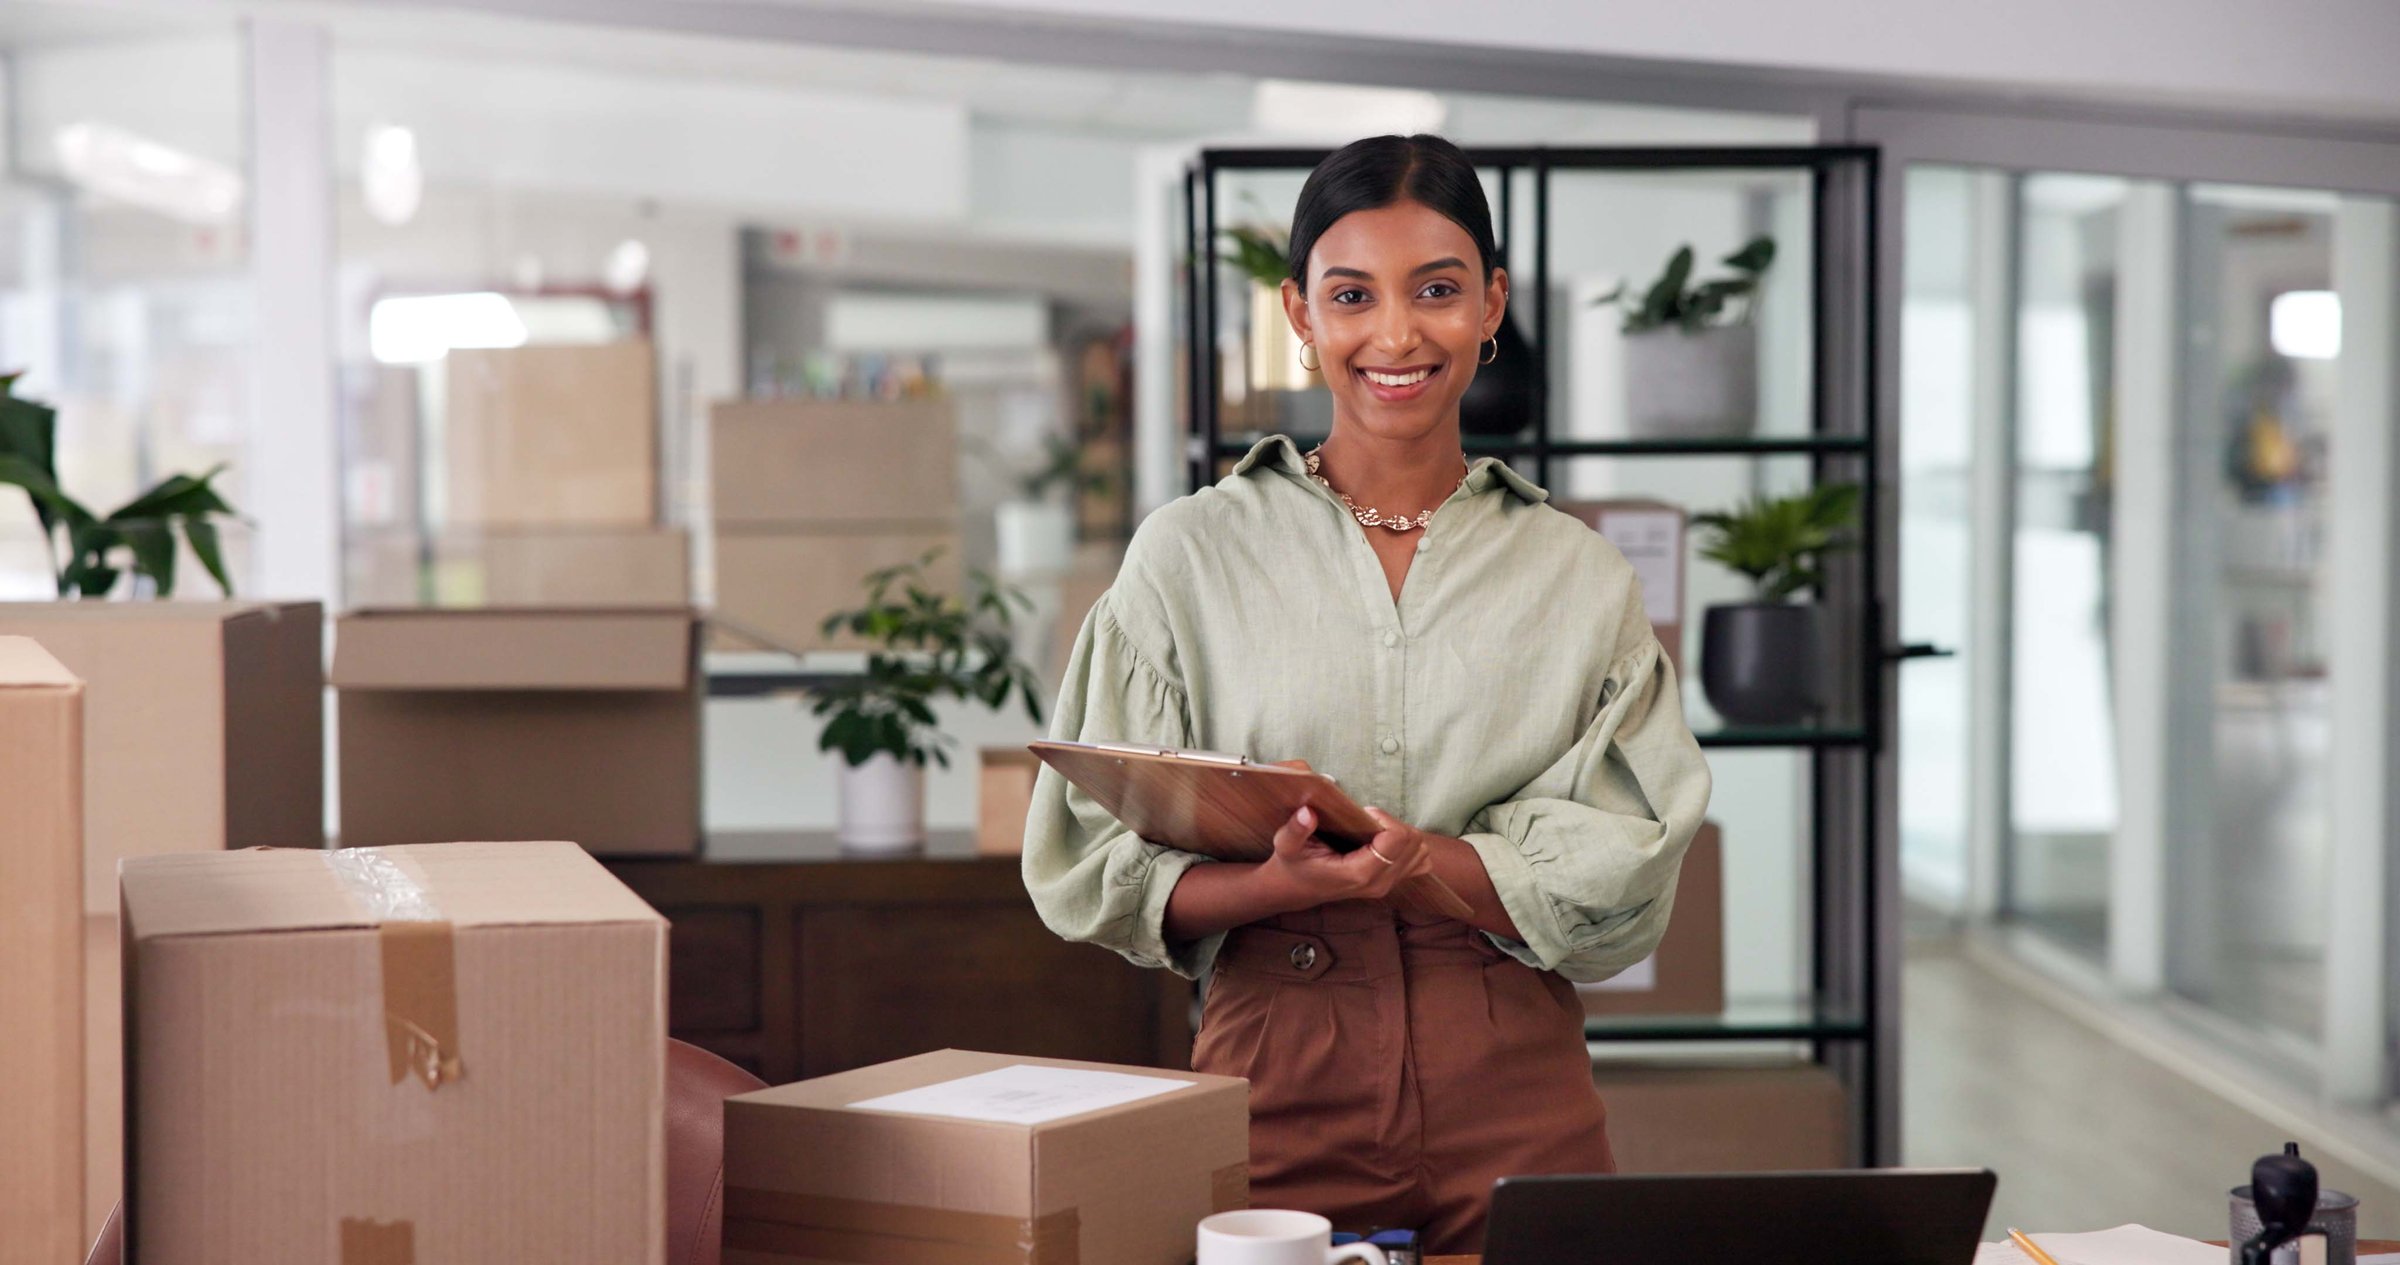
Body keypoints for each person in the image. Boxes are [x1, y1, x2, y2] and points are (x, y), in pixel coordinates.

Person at [1022, 133, 1711, 1255]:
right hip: (1277, 1060)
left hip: (1516, 1072)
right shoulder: (1188, 555)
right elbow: (1091, 863)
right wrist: (1279, 882)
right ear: (1301, 312)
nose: (1396, 334)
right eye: (1353, 295)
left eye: (1437, 290)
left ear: (1491, 304)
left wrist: (1414, 860)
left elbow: (1628, 868)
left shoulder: (1577, 572)